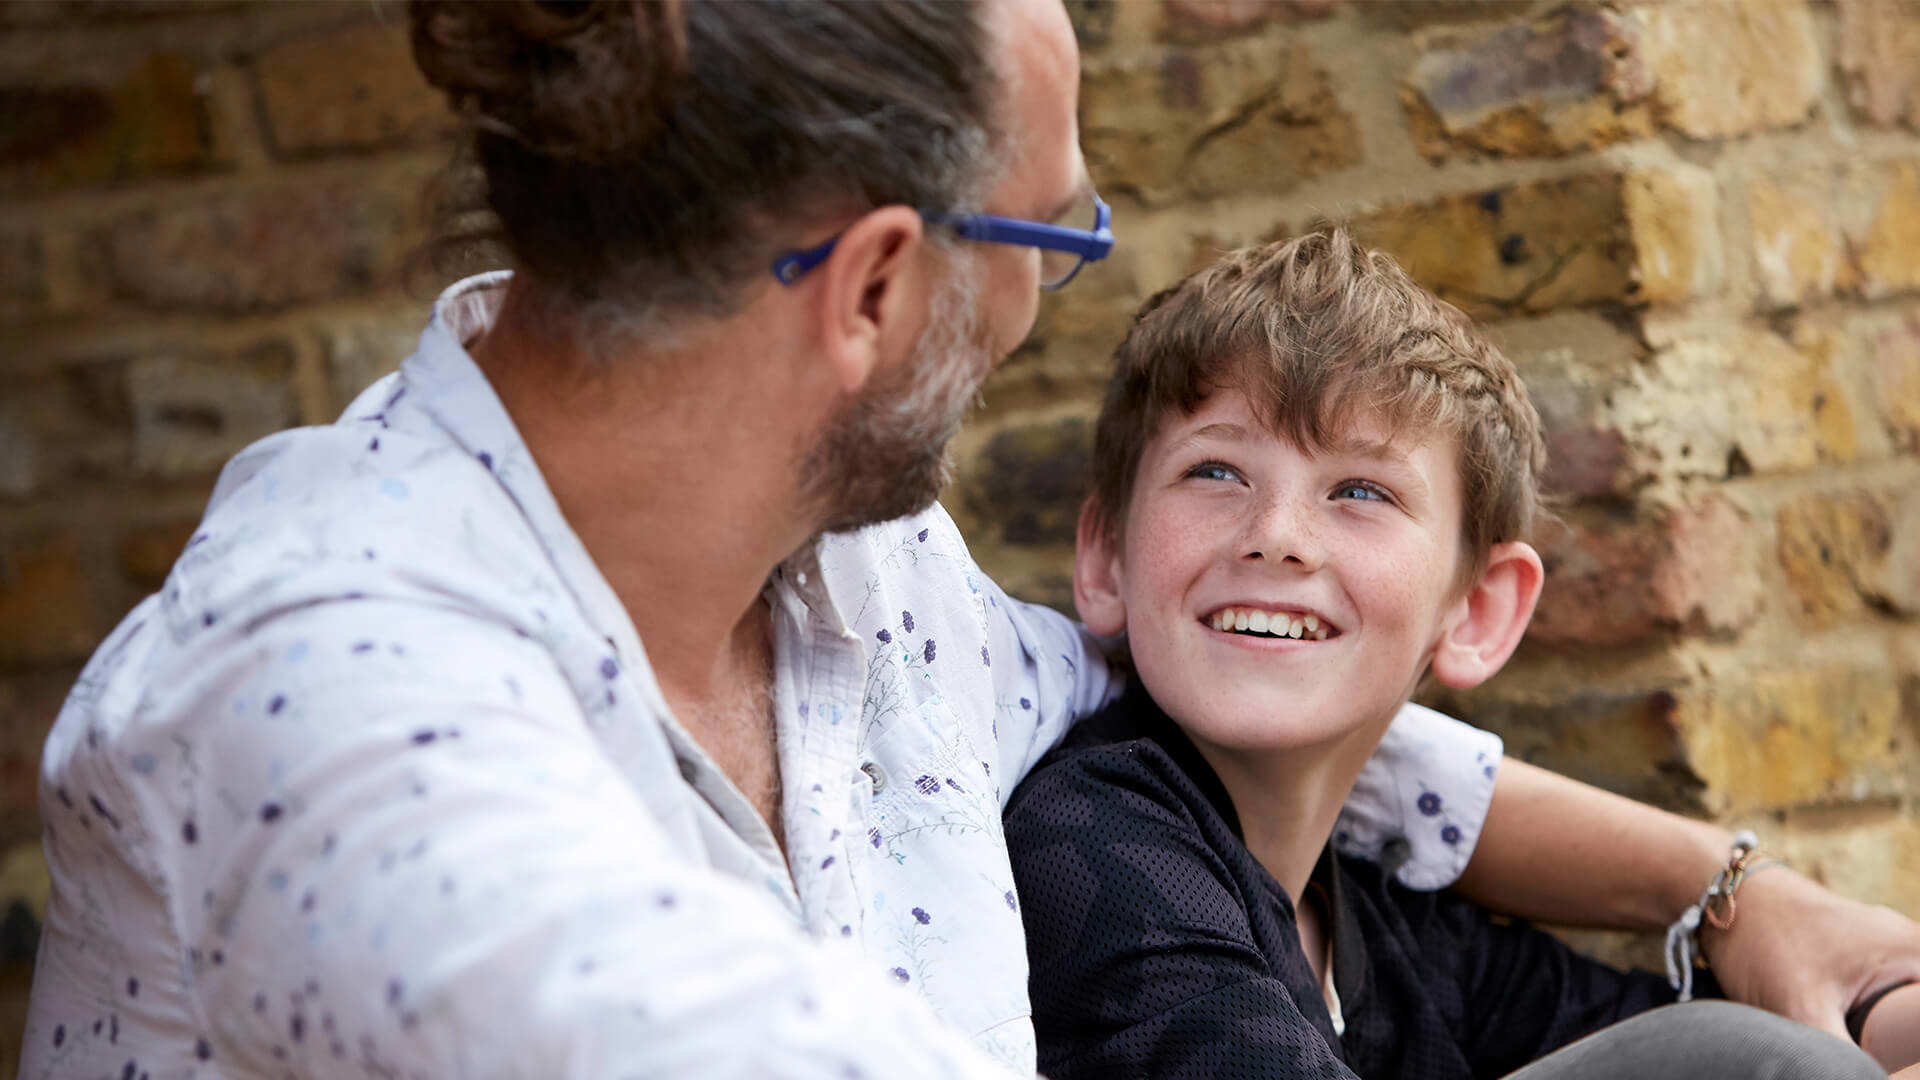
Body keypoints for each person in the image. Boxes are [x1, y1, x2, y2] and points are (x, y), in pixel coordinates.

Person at [18, 2, 1919, 1077]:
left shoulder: (870, 588)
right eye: (1052, 245)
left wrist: (1740, 900)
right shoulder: (337, 701)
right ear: (874, 290)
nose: (1048, 313)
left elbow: (1265, 704)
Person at [1003, 229, 1899, 1079]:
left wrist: (1873, 991)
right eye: (1216, 472)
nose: (1276, 537)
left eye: (1360, 491)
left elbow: (1722, 1026)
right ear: (1105, 557)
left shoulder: (1392, 930)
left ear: (1475, 611)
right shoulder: (1090, 836)